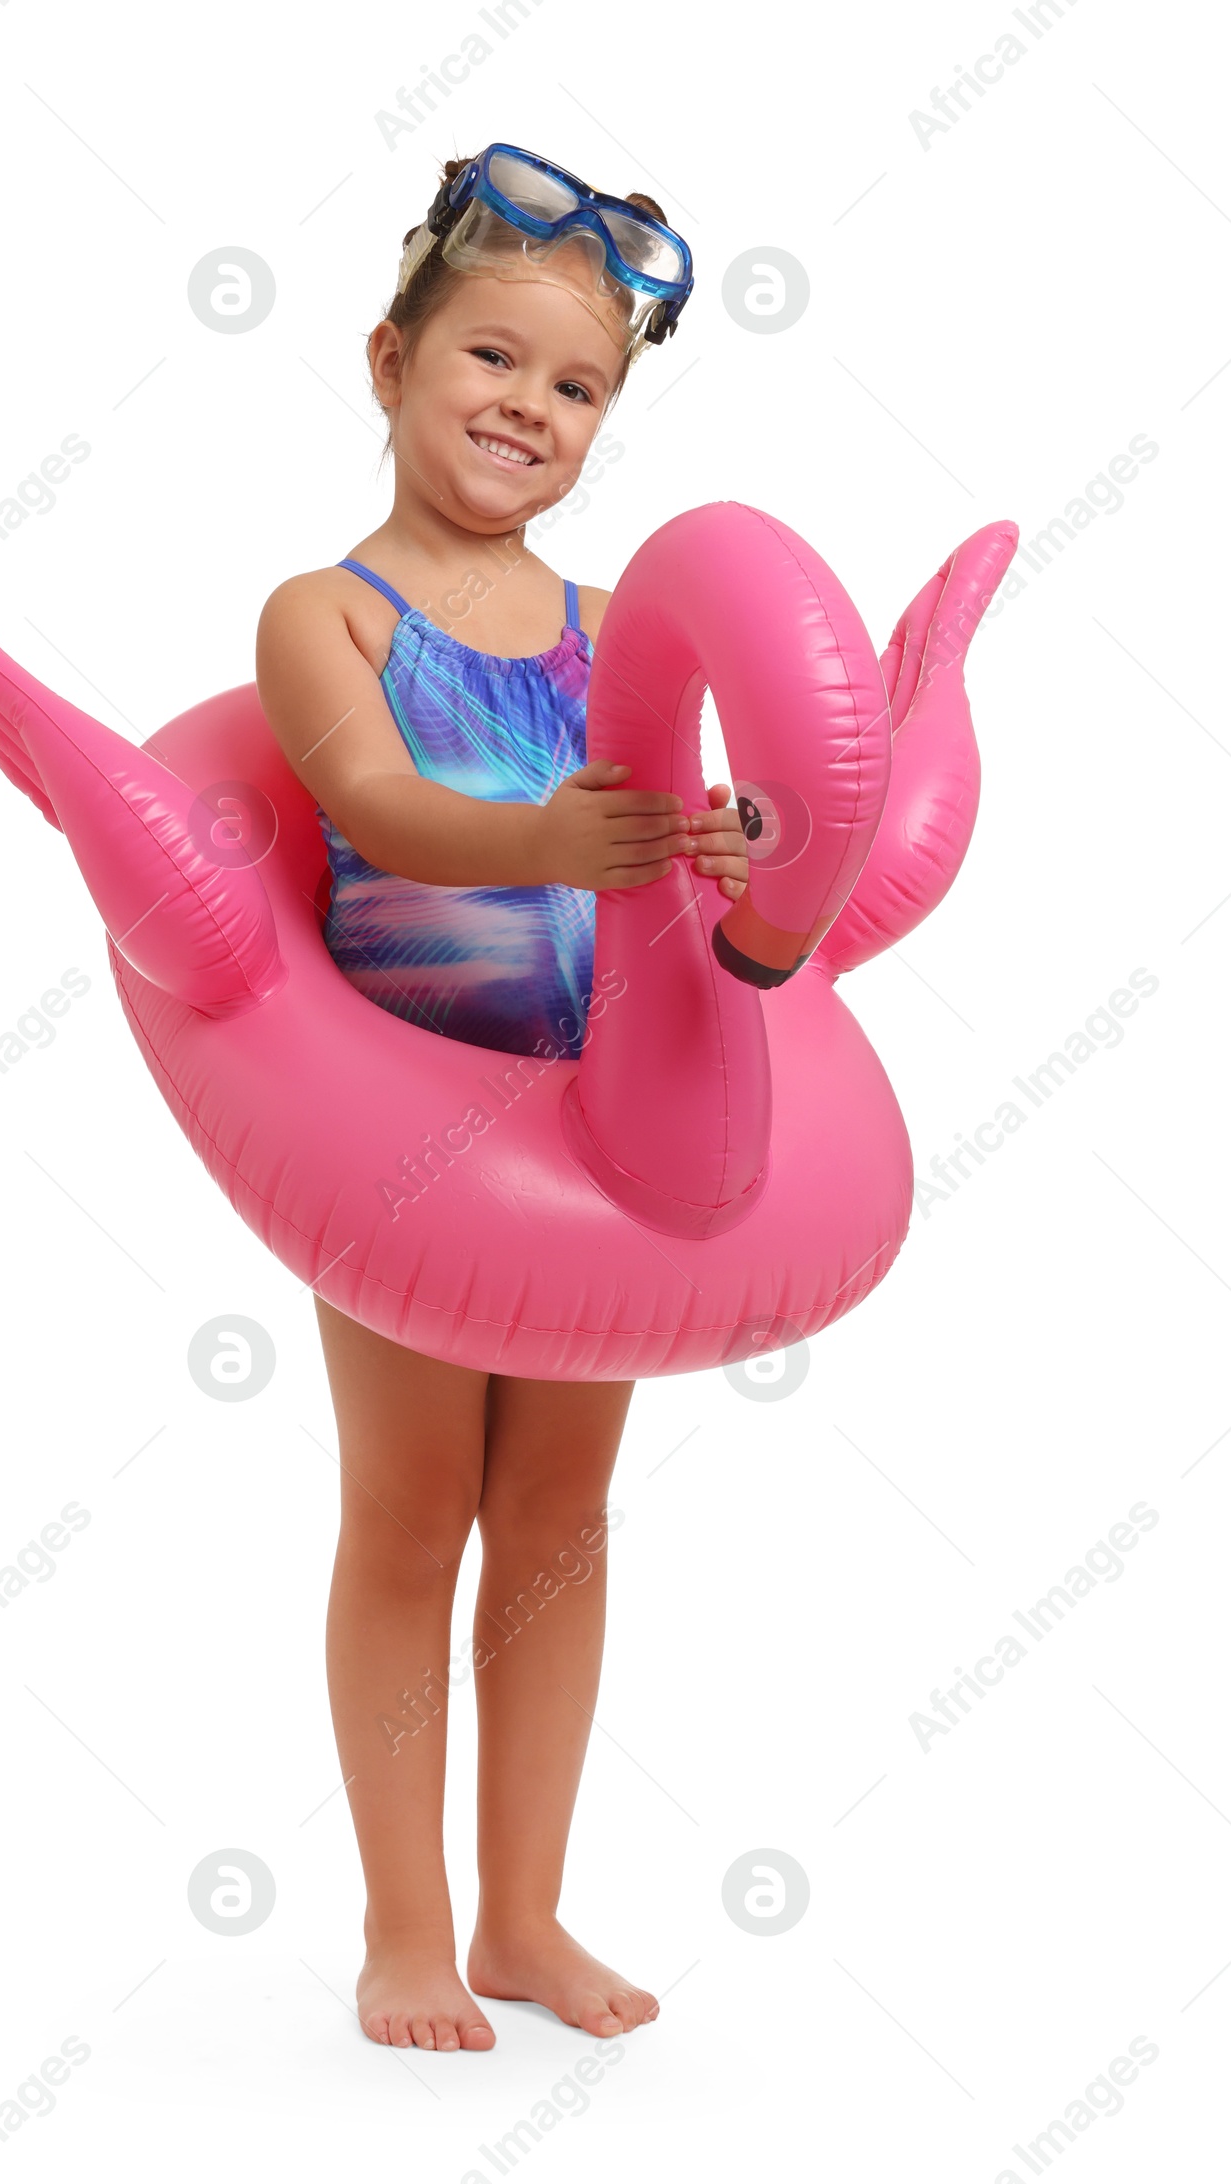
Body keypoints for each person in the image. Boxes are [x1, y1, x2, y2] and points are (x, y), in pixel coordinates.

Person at [255, 145, 747, 2055]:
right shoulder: (332, 615)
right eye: (490, 358)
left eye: (575, 388)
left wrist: (722, 842)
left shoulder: (619, 630)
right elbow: (375, 808)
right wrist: (547, 832)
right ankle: (405, 1922)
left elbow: (665, 870)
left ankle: (526, 1915)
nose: (525, 409)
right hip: (398, 1135)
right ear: (389, 359)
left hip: (586, 1132)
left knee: (559, 1511)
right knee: (409, 1510)